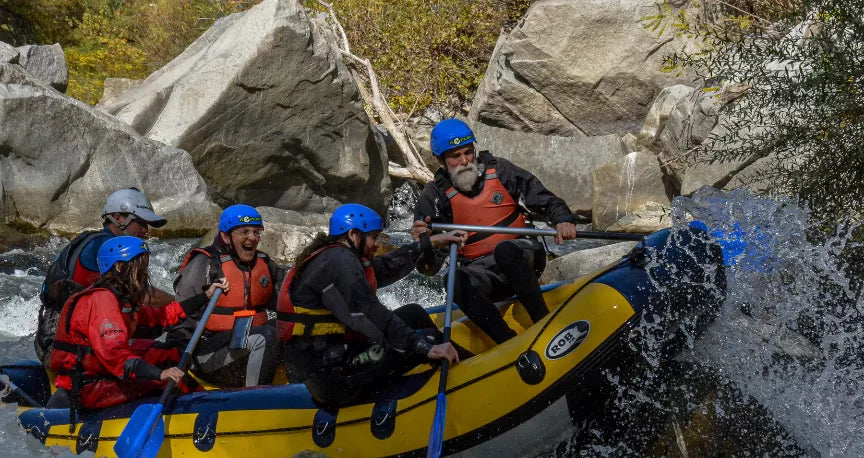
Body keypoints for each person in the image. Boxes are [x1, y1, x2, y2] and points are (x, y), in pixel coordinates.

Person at [277, 203, 464, 406]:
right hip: (333, 376)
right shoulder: (340, 261)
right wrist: (423, 347)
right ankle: (466, 379)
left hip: (332, 358)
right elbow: (370, 311)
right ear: (354, 234)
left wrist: (428, 244)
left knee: (413, 313)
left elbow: (386, 267)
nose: (377, 244)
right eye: (374, 237)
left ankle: (453, 368)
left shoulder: (335, 257)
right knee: (427, 338)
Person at [412, 118, 577, 344]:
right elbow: (429, 268)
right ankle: (506, 341)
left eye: (468, 152)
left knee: (505, 250)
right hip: (484, 274)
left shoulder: (500, 170)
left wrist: (562, 220)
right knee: (453, 280)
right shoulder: (433, 198)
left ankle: (543, 321)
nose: (464, 161)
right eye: (455, 156)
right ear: (441, 160)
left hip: (523, 256)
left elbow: (547, 201)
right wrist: (425, 245)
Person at [46, 237, 227, 412]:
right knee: (170, 380)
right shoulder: (102, 300)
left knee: (167, 352)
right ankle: (212, 411)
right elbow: (116, 356)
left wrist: (206, 296)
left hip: (103, 374)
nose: (145, 273)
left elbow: (164, 316)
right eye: (140, 266)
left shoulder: (120, 299)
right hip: (88, 388)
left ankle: (201, 400)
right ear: (119, 267)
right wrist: (159, 374)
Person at [35, 187, 171, 366]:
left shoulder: (88, 239)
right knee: (158, 323)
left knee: (134, 315)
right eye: (141, 223)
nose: (146, 230)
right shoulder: (108, 248)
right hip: (69, 351)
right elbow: (143, 295)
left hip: (48, 341)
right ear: (118, 217)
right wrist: (182, 305)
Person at [168, 205, 283, 387]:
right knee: (265, 336)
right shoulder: (204, 264)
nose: (252, 238)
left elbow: (288, 303)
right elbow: (179, 318)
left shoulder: (265, 264)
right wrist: (178, 363)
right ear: (225, 236)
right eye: (244, 232)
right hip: (209, 354)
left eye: (256, 232)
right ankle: (255, 397)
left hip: (248, 345)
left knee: (285, 328)